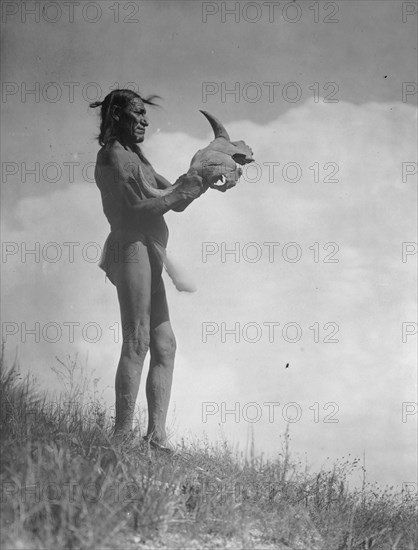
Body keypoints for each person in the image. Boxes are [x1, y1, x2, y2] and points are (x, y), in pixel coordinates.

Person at [90, 89, 205, 450]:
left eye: (145, 114)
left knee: (165, 345)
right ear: (117, 117)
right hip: (131, 247)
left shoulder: (136, 157)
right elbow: (139, 208)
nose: (145, 120)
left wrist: (207, 176)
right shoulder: (113, 156)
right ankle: (121, 436)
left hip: (149, 249)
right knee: (138, 339)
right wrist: (181, 192)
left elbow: (175, 196)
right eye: (138, 113)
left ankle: (157, 436)